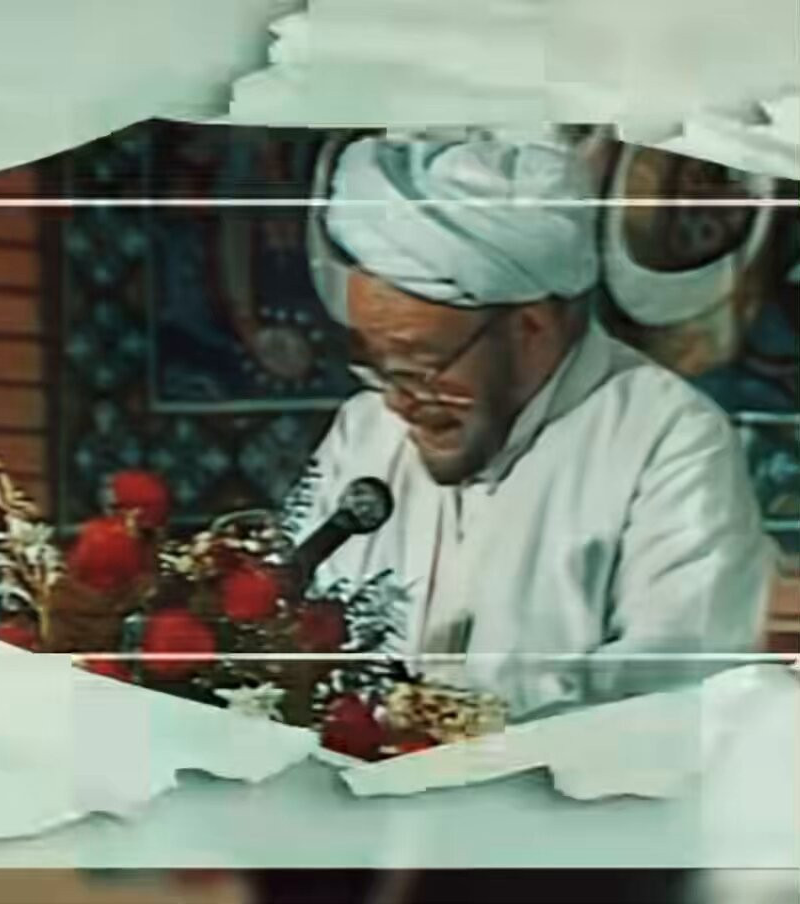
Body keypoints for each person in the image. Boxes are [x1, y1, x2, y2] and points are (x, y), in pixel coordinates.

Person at [289, 133, 774, 721]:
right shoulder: (365, 428)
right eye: (377, 366)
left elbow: (674, 694)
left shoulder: (670, 439)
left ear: (531, 328)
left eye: (420, 367)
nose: (396, 401)